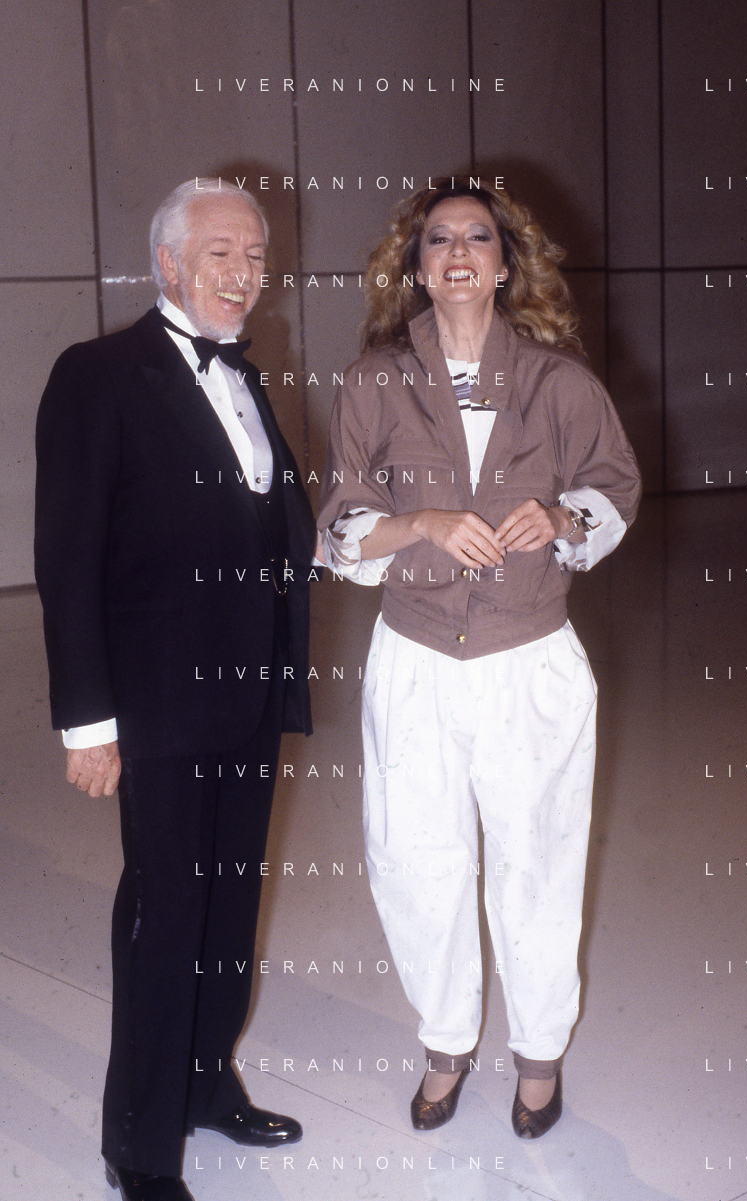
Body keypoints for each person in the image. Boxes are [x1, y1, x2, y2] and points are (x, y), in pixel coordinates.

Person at [318, 177, 641, 1140]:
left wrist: (563, 515)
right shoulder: (374, 381)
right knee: (415, 860)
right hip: (414, 660)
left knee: (538, 859)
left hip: (527, 661)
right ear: (416, 268)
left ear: (505, 265)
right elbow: (340, 525)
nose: (458, 252)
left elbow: (614, 489)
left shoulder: (561, 383)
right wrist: (419, 521)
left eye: (478, 238)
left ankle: (539, 1052)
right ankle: (447, 1038)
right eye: (438, 239)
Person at [35, 178, 316, 1201]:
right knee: (166, 912)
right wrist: (87, 722)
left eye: (256, 257)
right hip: (156, 703)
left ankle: (206, 1083)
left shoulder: (244, 374)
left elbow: (267, 524)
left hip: (247, 692)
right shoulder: (99, 374)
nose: (245, 275)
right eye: (221, 255)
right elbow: (67, 559)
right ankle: (141, 1144)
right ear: (168, 262)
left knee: (230, 900)